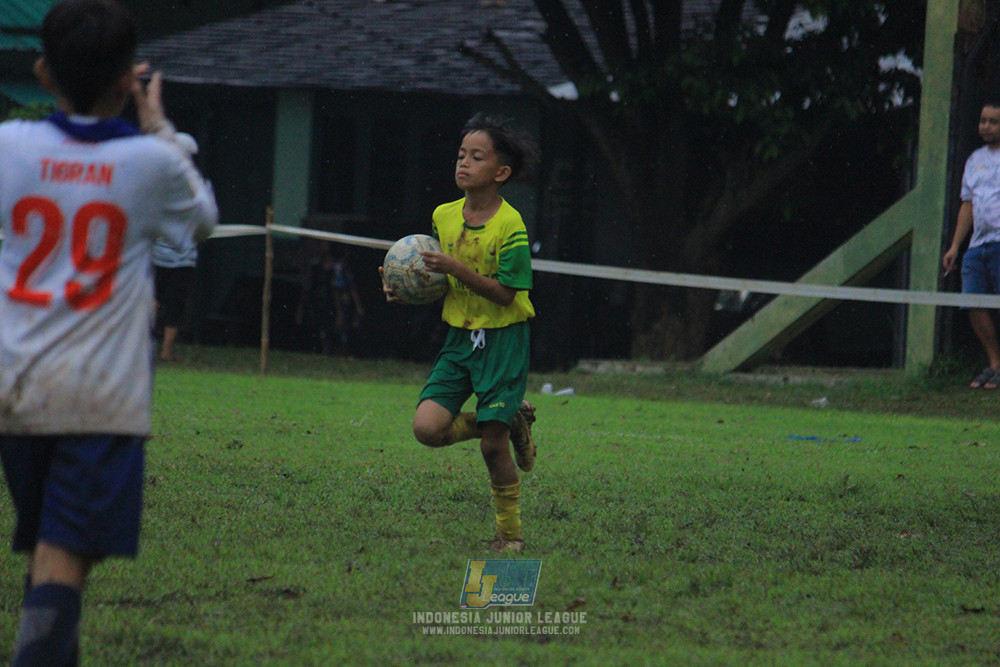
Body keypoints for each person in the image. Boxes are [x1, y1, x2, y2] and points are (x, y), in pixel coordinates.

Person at [0, 1, 218, 664]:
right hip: (99, 395)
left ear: (43, 71)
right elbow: (202, 218)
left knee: (48, 547)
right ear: (129, 80)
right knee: (65, 554)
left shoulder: (9, 146)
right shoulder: (149, 162)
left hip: (14, 384)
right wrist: (160, 127)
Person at [381, 113, 540, 553]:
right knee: (427, 429)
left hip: (503, 341)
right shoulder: (443, 216)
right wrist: (406, 288)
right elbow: (441, 282)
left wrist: (454, 267)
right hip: (460, 339)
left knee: (492, 447)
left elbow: (506, 294)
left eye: (476, 157)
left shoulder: (510, 226)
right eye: (460, 155)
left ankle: (509, 536)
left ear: (501, 173)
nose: (463, 163)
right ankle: (509, 419)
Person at [944, 100, 1000, 389]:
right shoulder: (974, 160)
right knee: (973, 301)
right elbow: (968, 204)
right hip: (978, 245)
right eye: (983, 121)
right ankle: (995, 363)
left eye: (993, 121)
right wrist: (956, 245)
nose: (986, 126)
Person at [296, 240, 364, 355]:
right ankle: (324, 350)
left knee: (341, 328)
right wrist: (301, 308)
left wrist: (356, 306)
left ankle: (344, 351)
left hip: (337, 303)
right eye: (320, 245)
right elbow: (307, 286)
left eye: (324, 245)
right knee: (322, 328)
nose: (322, 248)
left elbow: (348, 287)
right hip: (322, 302)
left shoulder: (338, 267)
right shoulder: (315, 266)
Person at [153, 234, 200, 361]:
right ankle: (163, 351)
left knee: (170, 304)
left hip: (174, 259)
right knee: (171, 304)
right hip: (171, 258)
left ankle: (161, 351)